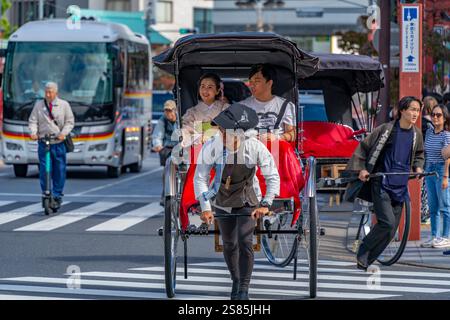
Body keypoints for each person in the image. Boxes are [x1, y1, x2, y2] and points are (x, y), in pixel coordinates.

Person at [194, 103, 280, 300]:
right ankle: (235, 279)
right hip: (222, 196)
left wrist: (265, 204)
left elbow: (272, 176)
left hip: (248, 197)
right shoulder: (212, 146)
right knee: (229, 243)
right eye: (221, 131)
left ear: (239, 135)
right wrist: (206, 208)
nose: (222, 135)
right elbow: (200, 177)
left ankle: (244, 288)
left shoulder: (254, 147)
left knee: (245, 240)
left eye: (226, 132)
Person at [344, 96, 425, 271]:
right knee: (387, 223)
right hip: (381, 183)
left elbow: (419, 154)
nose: (415, 114)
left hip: (400, 186)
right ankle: (363, 249)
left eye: (417, 110)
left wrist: (418, 168)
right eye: (412, 109)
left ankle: (365, 259)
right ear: (402, 110)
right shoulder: (386, 130)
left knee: (390, 231)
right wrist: (362, 169)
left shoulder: (416, 134)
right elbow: (363, 149)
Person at [28, 82, 74, 208]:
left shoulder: (64, 105)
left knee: (59, 170)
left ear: (56, 93)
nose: (48, 94)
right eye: (46, 92)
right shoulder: (39, 105)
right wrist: (33, 132)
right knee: (45, 170)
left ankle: (57, 195)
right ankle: (46, 192)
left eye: (50, 92)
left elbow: (70, 122)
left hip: (58, 144)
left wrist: (63, 133)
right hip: (44, 143)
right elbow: (33, 121)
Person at [239, 64, 296, 142]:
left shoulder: (286, 105)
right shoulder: (241, 106)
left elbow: (293, 134)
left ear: (269, 83)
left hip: (277, 151)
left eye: (257, 81)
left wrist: (278, 137)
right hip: (250, 150)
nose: (252, 85)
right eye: (250, 81)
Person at [420, 104, 450, 248]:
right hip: (429, 170)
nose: (435, 117)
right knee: (433, 207)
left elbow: (447, 157)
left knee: (445, 205)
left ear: (445, 118)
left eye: (439, 115)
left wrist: (445, 176)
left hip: (441, 169)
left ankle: (446, 236)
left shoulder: (447, 135)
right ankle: (434, 236)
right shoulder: (429, 132)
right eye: (433, 114)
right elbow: (425, 152)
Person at [181, 73, 229, 146]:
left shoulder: (225, 108)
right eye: (202, 86)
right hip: (198, 150)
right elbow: (186, 130)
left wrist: (201, 127)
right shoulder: (192, 112)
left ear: (217, 90)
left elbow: (230, 128)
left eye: (210, 87)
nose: (205, 90)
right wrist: (214, 127)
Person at [151, 99, 179, 206]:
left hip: (180, 147)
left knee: (185, 171)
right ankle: (165, 193)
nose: (168, 113)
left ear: (175, 110)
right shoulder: (162, 120)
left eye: (170, 110)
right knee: (166, 171)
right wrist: (157, 145)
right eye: (166, 111)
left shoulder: (180, 119)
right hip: (168, 148)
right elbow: (158, 134)